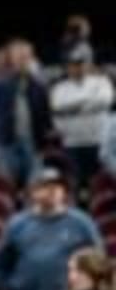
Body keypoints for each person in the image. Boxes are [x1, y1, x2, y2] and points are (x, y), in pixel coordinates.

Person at [0, 167, 102, 290]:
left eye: (57, 187)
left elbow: (97, 262)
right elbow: (1, 264)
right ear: (33, 192)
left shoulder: (81, 223)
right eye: (44, 187)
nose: (51, 192)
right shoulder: (17, 225)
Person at [0, 38, 50, 189]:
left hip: (33, 142)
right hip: (5, 143)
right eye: (18, 57)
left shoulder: (39, 86)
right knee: (7, 187)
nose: (22, 61)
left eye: (25, 57)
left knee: (34, 188)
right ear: (11, 59)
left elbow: (45, 116)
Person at [50, 42, 113, 197]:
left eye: (81, 64)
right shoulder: (60, 88)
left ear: (87, 64)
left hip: (99, 141)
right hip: (73, 142)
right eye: (73, 64)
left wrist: (72, 108)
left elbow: (105, 100)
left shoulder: (101, 82)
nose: (77, 68)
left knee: (102, 183)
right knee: (77, 184)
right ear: (68, 67)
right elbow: (58, 106)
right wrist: (90, 104)